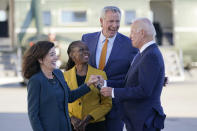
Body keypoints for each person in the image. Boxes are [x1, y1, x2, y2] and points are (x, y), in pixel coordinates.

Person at [100, 18, 166, 131]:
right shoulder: (143, 53)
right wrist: (105, 83)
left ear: (142, 33)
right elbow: (130, 82)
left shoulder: (150, 56)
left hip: (145, 121)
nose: (130, 36)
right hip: (138, 119)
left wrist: (113, 92)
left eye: (132, 32)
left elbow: (144, 90)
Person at [82, 6, 138, 131]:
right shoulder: (86, 39)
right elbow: (80, 67)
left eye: (117, 21)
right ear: (101, 21)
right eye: (111, 21)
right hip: (90, 105)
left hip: (115, 107)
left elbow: (134, 75)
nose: (114, 25)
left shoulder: (130, 44)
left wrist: (158, 77)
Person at [22, 41, 99, 131]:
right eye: (51, 55)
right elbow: (33, 114)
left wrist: (88, 84)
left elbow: (70, 96)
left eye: (55, 54)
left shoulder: (58, 74)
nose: (55, 58)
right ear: (40, 59)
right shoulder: (35, 81)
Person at [63, 40, 112, 131]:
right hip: (72, 125)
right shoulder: (64, 76)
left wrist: (90, 117)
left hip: (95, 125)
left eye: (87, 49)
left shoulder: (100, 74)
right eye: (81, 50)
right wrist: (71, 118)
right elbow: (61, 102)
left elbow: (107, 103)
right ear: (72, 55)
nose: (86, 52)